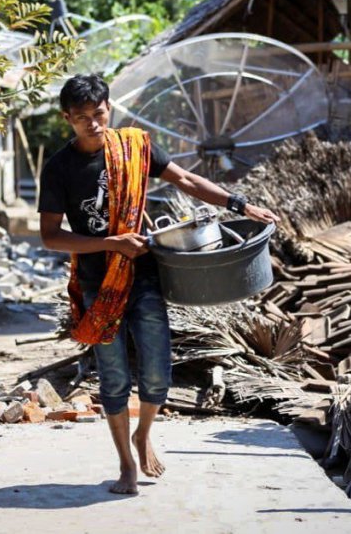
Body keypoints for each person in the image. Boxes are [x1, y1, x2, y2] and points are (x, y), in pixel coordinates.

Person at [38, 74, 278, 495]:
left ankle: (143, 433)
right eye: (82, 118)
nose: (93, 124)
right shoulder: (59, 167)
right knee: (112, 378)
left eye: (99, 114)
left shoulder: (135, 147)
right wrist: (111, 242)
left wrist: (240, 204)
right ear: (67, 119)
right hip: (98, 283)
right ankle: (126, 465)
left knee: (156, 370)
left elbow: (185, 180)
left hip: (144, 276)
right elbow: (50, 236)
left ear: (108, 108)